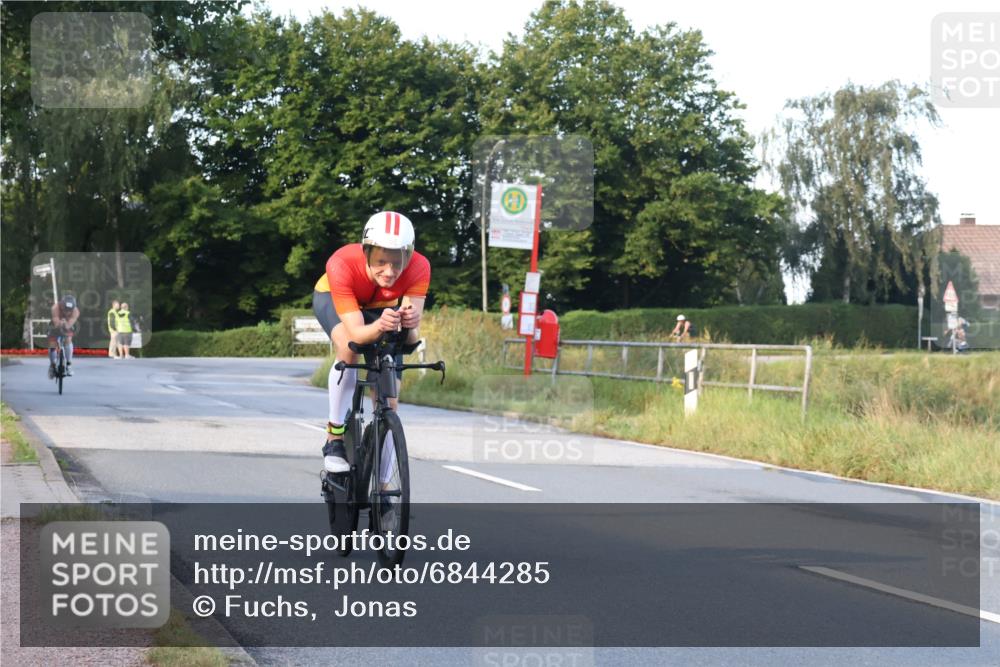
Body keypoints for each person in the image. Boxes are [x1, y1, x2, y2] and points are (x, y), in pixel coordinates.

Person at [312, 211, 430, 474]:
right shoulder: (342, 263)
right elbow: (356, 334)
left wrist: (410, 324)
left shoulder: (420, 267)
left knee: (390, 397)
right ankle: (334, 439)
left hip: (381, 308)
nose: (389, 272)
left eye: (397, 264)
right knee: (347, 349)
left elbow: (410, 340)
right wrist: (378, 326)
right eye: (380, 262)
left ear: (408, 258)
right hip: (334, 297)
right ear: (366, 253)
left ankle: (386, 487)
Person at [48, 294, 80, 377]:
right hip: (55, 324)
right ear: (61, 305)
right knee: (52, 344)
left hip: (67, 324)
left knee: (68, 339)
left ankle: (69, 364)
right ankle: (52, 365)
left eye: (70, 310)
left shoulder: (76, 311)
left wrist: (66, 325)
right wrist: (59, 323)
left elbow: (71, 322)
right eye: (65, 310)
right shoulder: (55, 307)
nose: (67, 312)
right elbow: (55, 320)